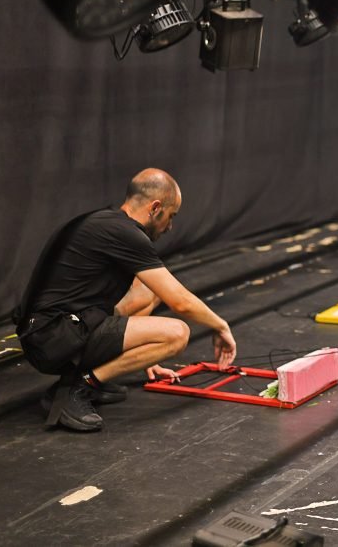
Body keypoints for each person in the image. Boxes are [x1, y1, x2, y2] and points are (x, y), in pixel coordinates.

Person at [15, 168, 237, 432]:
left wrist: (146, 356)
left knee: (150, 289)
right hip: (53, 339)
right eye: (171, 216)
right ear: (156, 208)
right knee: (177, 333)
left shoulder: (106, 221)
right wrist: (220, 326)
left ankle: (91, 373)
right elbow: (181, 302)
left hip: (53, 328)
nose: (170, 226)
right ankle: (79, 388)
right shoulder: (126, 234)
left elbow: (156, 293)